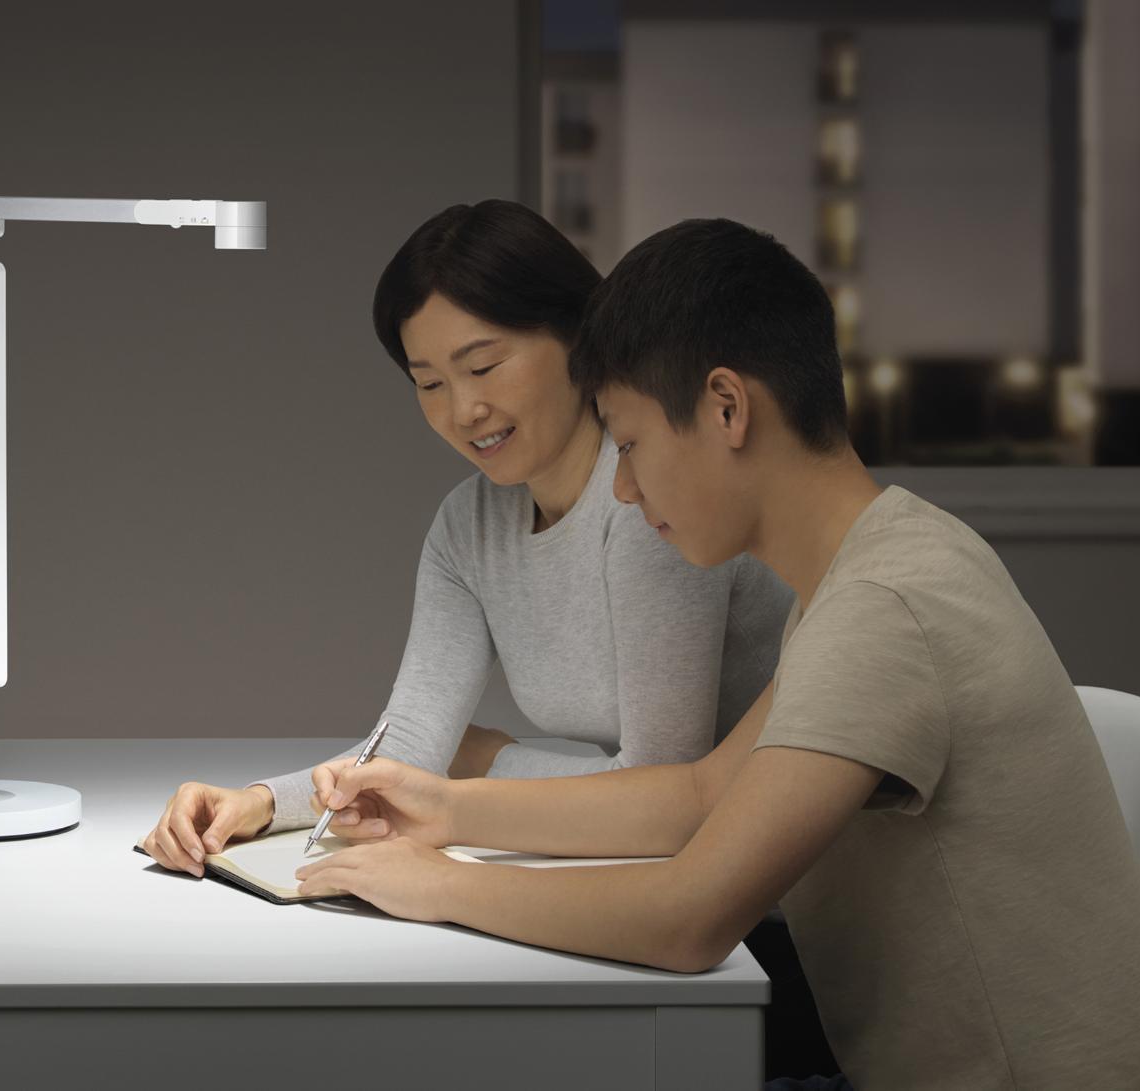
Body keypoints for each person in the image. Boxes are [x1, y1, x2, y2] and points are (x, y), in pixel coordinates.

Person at [291, 219, 1140, 1090]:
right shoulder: (874, 565)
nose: (625, 488)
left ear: (726, 407)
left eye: (630, 444)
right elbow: (703, 792)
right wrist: (446, 809)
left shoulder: (883, 607)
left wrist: (438, 883)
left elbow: (689, 920)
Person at [140, 201, 791, 875]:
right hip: (650, 873)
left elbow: (663, 788)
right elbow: (415, 745)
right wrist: (258, 804)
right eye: (429, 383)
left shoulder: (653, 500)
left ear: (576, 335)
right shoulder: (468, 526)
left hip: (762, 889)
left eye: (483, 366)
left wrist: (488, 759)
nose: (462, 411)